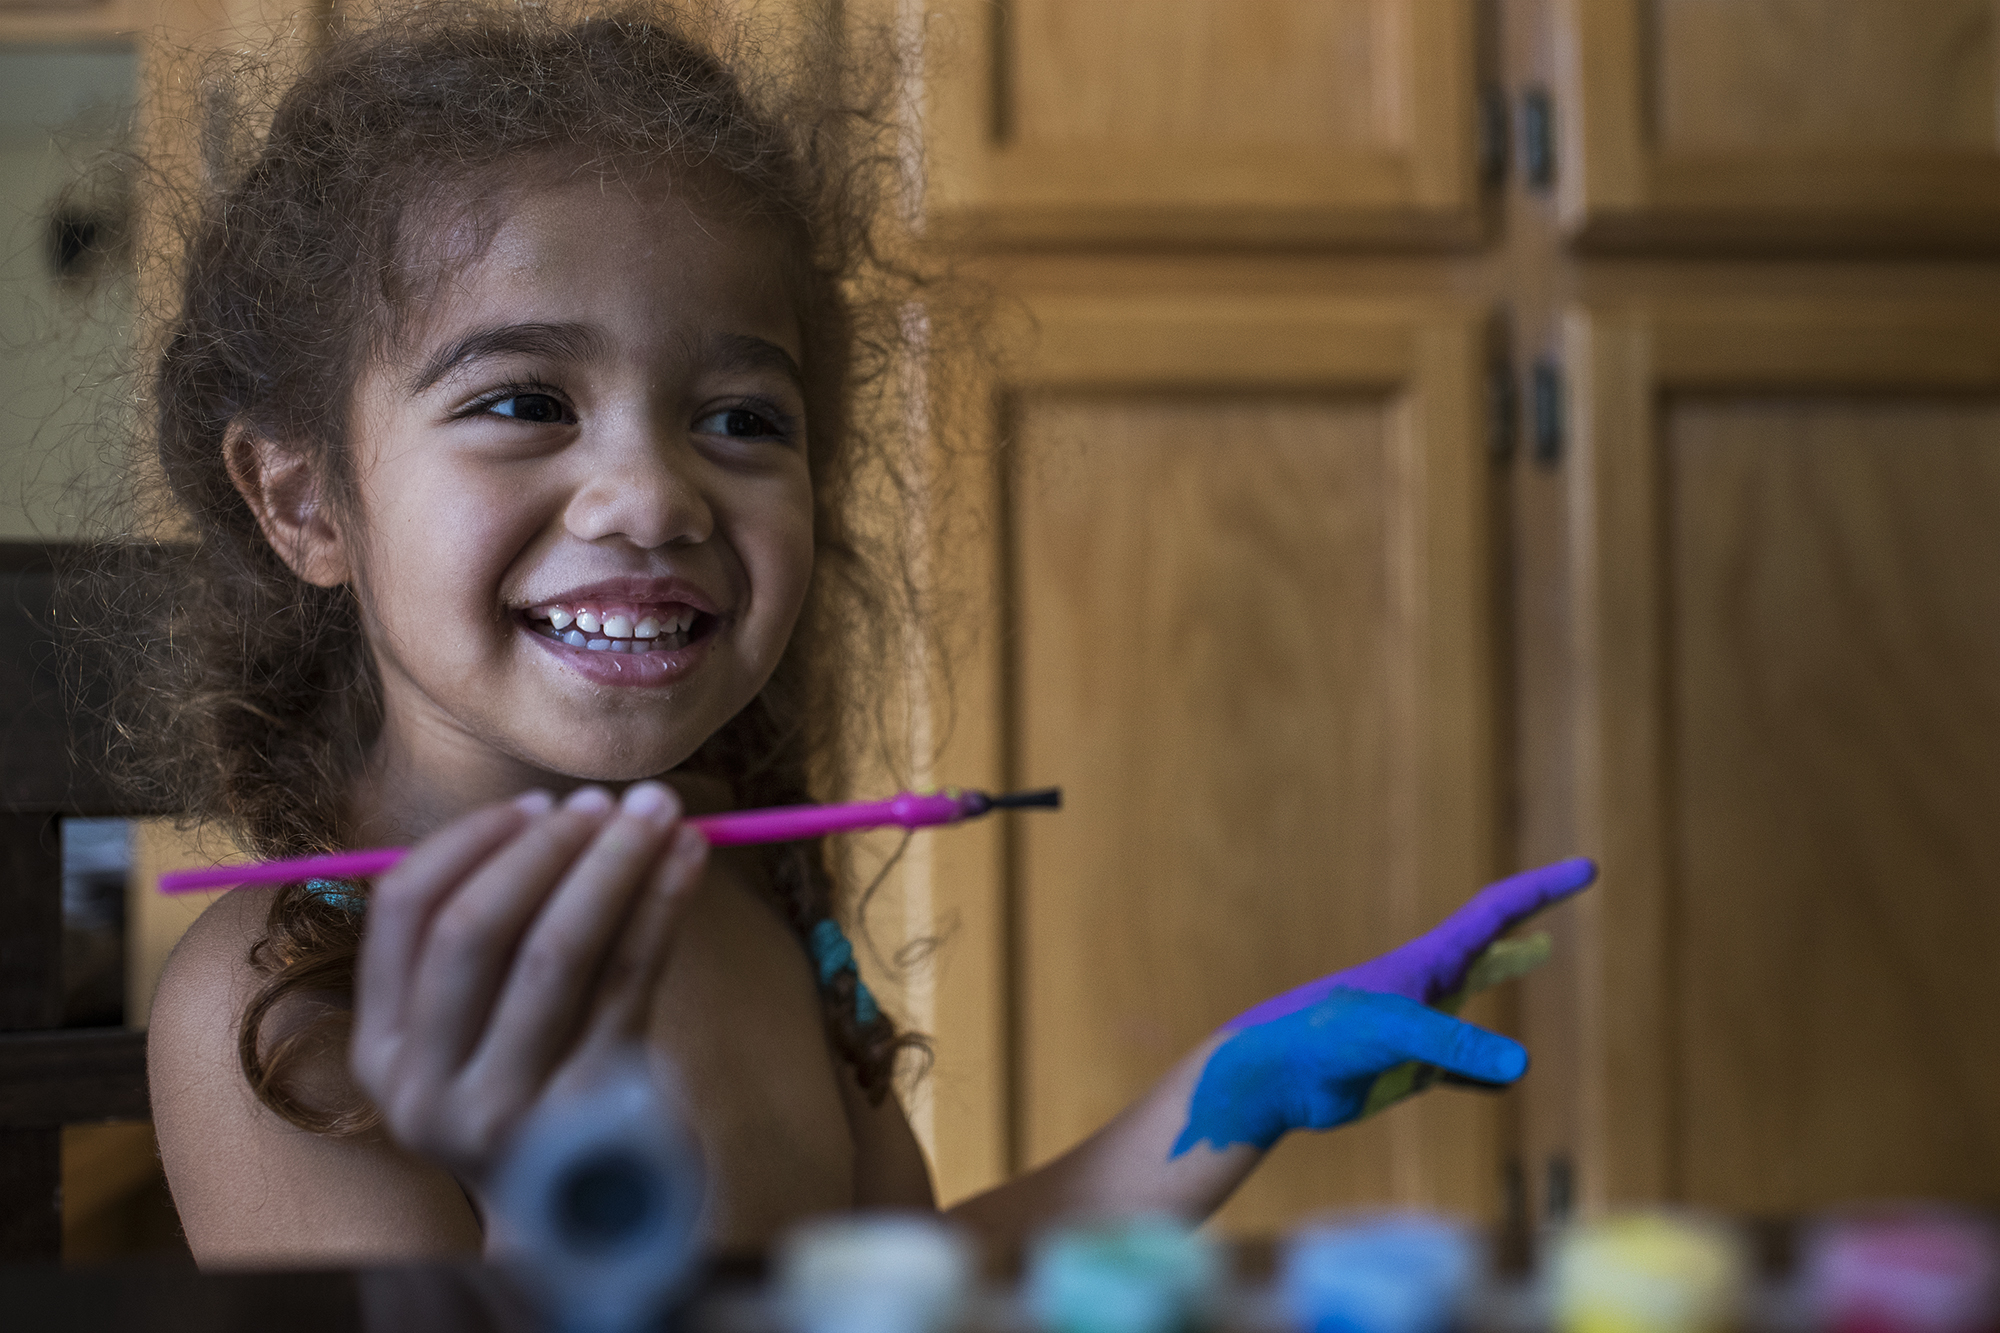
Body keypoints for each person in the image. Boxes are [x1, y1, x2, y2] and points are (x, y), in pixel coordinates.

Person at [127, 1, 1593, 1267]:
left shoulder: (755, 885)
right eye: (524, 401)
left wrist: (1222, 1098)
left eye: (741, 419)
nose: (653, 494)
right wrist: (550, 1191)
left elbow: (905, 1287)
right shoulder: (274, 1008)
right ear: (306, 499)